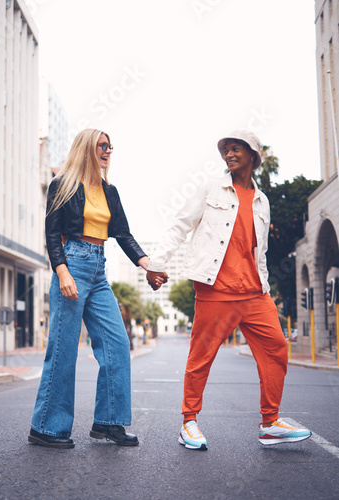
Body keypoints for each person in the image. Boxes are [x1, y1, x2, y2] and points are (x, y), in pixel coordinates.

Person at [146, 129, 312, 450]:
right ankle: (189, 423)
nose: (230, 154)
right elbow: (181, 224)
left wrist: (264, 285)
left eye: (237, 149)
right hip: (216, 290)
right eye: (226, 150)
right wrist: (157, 262)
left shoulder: (262, 201)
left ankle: (270, 423)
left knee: (276, 348)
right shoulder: (211, 189)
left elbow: (257, 251)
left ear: (253, 156)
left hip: (254, 292)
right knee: (201, 357)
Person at [28, 128, 149, 449]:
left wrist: (147, 263)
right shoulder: (63, 185)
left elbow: (123, 233)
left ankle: (108, 422)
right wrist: (62, 271)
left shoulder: (110, 191)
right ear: (85, 150)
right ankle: (46, 428)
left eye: (110, 146)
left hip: (99, 268)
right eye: (101, 146)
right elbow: (52, 233)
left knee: (117, 344)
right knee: (63, 349)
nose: (107, 151)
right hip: (73, 263)